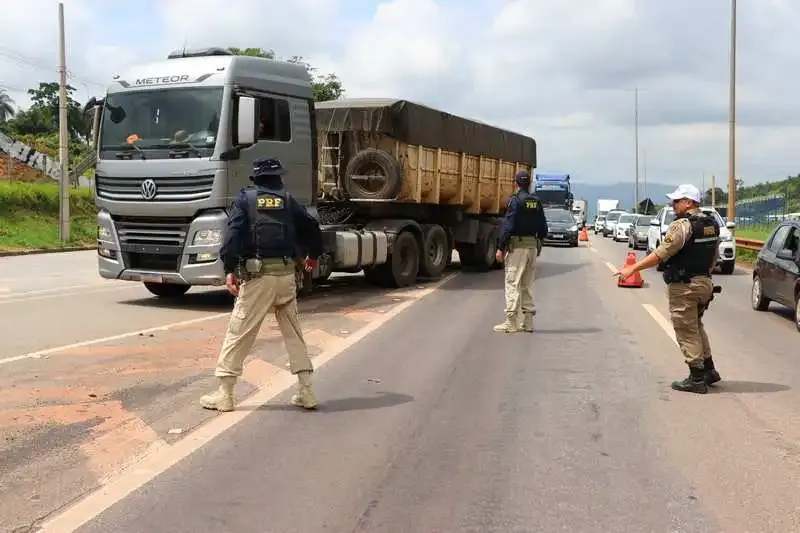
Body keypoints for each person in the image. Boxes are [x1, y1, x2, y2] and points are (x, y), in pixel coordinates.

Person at [200, 157, 324, 411]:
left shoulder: (246, 200)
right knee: (294, 335)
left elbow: (233, 236)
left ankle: (225, 394)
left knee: (239, 332)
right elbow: (312, 227)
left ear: (256, 178)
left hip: (259, 278)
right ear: (279, 177)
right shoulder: (288, 200)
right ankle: (307, 391)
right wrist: (312, 256)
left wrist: (229, 269)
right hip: (287, 278)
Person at [614, 184, 721, 394]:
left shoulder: (682, 226)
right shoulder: (711, 224)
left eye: (677, 201)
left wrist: (632, 268)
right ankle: (709, 370)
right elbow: (714, 257)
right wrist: (703, 276)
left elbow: (661, 254)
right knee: (697, 326)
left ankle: (697, 377)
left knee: (686, 329)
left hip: (685, 286)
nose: (673, 205)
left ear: (689, 202)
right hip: (704, 283)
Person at [493, 170, 548, 333]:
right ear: (529, 183)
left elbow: (508, 226)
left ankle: (511, 322)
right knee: (527, 284)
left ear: (516, 183)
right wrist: (538, 242)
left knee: (512, 282)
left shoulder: (515, 200)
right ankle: (528, 321)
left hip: (517, 247)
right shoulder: (537, 202)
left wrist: (500, 248)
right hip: (532, 247)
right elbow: (544, 227)